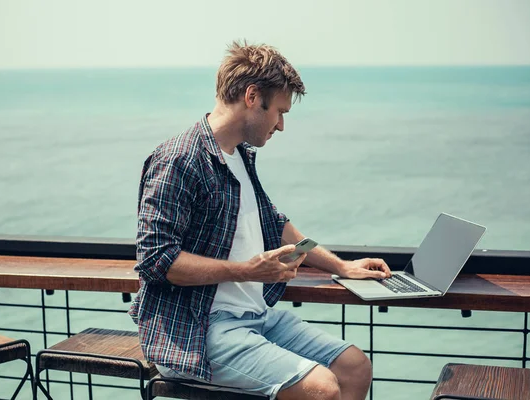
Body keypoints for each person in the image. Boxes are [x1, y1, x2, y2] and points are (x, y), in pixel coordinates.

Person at [129, 41, 391, 400]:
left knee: (355, 367)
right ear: (252, 96)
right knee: (322, 389)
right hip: (198, 330)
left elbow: (276, 223)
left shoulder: (240, 156)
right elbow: (157, 261)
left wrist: (341, 266)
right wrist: (249, 270)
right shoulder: (179, 159)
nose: (281, 125)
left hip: (257, 317)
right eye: (279, 112)